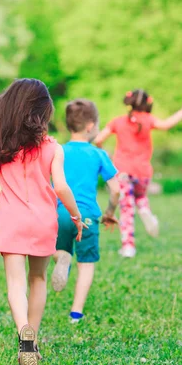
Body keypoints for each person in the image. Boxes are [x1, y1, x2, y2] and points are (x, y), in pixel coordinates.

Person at [0, 79, 85, 365]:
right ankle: (34, 338)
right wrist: (76, 216)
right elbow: (62, 188)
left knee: (15, 284)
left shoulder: (0, 144)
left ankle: (23, 334)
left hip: (12, 219)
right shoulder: (53, 147)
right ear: (44, 113)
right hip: (44, 220)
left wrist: (6, 204)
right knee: (37, 279)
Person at [94, 90, 182, 258]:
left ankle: (128, 246)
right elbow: (167, 124)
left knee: (127, 209)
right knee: (140, 197)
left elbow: (98, 139)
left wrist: (107, 155)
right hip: (143, 171)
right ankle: (145, 211)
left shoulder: (117, 122)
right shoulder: (149, 120)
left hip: (123, 171)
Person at [51, 99, 120, 324]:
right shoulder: (98, 154)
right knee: (86, 264)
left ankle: (62, 258)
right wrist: (110, 211)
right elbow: (116, 189)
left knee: (61, 251)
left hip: (60, 214)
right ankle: (76, 313)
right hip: (88, 216)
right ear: (90, 126)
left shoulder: (57, 151)